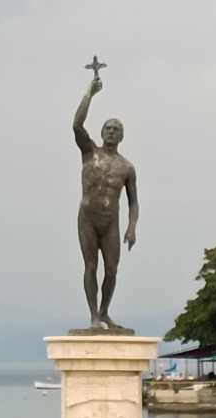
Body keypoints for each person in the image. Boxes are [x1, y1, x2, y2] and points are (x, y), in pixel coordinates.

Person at [73, 77, 139, 329]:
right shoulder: (90, 152)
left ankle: (104, 312)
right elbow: (76, 125)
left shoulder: (127, 167)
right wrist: (89, 93)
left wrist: (132, 226)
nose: (111, 131)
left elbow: (134, 202)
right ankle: (93, 316)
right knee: (90, 265)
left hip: (111, 222)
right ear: (101, 133)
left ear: (121, 135)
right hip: (88, 218)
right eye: (108, 128)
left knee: (111, 269)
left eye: (116, 129)